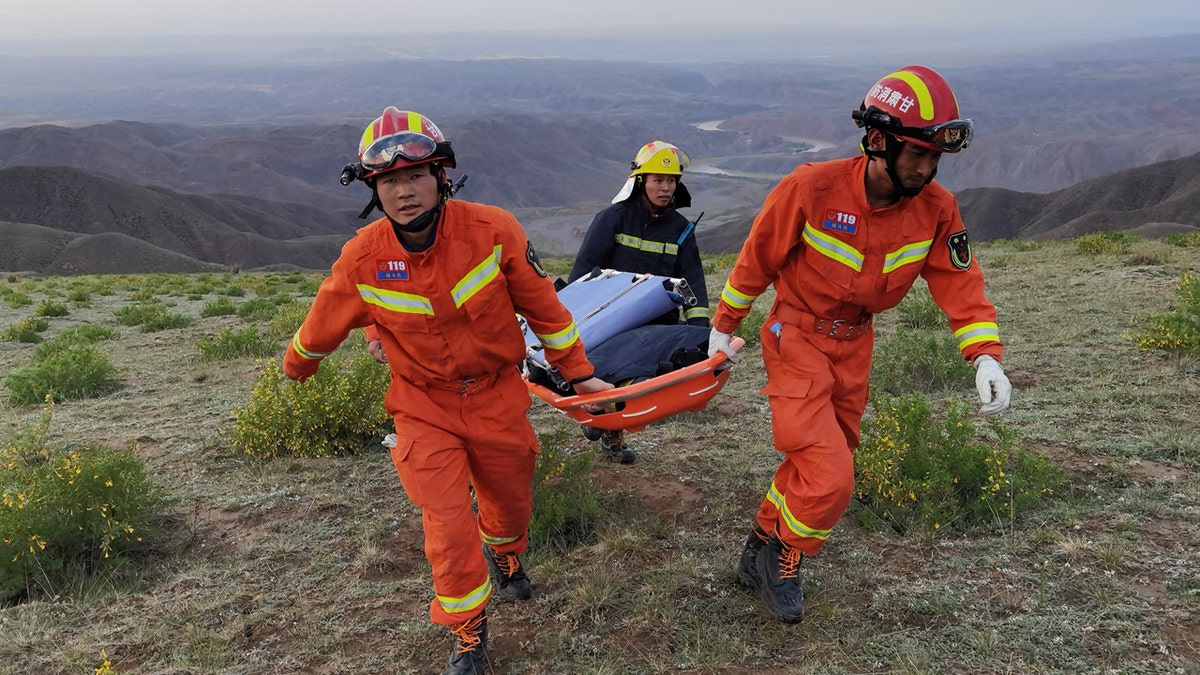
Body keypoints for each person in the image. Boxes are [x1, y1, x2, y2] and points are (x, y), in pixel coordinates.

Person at [283, 107, 612, 675]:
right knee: (446, 523)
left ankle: (506, 557)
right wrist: (297, 369)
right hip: (421, 406)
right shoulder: (362, 257)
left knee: (509, 505)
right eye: (389, 181)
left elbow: (546, 311)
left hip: (497, 395)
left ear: (441, 178)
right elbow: (323, 322)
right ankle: (467, 630)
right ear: (373, 190)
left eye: (415, 176)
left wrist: (580, 375)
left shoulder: (493, 230)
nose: (404, 191)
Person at [706, 66, 1012, 623]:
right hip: (794, 336)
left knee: (816, 462)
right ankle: (786, 558)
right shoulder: (811, 188)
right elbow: (758, 258)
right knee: (831, 477)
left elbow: (959, 283)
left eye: (934, 157)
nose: (926, 167)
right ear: (877, 141)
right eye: (916, 153)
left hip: (855, 346)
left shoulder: (937, 207)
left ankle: (756, 550)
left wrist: (984, 354)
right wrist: (724, 325)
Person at [566, 140, 711, 464]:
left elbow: (693, 279)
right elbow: (582, 274)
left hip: (657, 325)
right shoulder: (613, 219)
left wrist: (700, 330)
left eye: (671, 180)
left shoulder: (681, 230)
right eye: (658, 180)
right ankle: (606, 427)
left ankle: (608, 426)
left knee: (636, 381)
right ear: (640, 181)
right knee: (610, 374)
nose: (665, 187)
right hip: (610, 319)